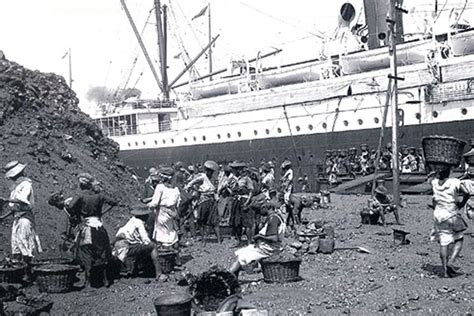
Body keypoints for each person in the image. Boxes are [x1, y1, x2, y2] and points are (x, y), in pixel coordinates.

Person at [68, 173, 118, 288]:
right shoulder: (100, 196)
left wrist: (78, 213)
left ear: (82, 185)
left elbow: (70, 207)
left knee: (85, 252)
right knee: (103, 251)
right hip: (99, 225)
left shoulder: (80, 195)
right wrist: (101, 212)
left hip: (87, 225)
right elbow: (114, 202)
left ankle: (88, 281)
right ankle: (105, 280)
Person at [0, 161, 42, 283]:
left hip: (25, 219)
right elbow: (15, 208)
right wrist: (4, 216)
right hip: (18, 217)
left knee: (25, 245)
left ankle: (28, 273)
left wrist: (6, 200)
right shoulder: (16, 186)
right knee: (16, 245)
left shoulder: (26, 185)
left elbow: (23, 203)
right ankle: (18, 273)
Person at [229, 198, 287, 278]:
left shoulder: (273, 219)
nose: (259, 212)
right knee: (240, 254)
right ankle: (233, 275)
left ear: (266, 208)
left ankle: (230, 276)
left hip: (269, 248)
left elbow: (274, 238)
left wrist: (259, 236)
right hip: (267, 246)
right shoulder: (275, 217)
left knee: (242, 257)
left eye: (260, 210)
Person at [430, 164, 469, 278]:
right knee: (459, 238)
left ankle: (445, 271)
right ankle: (451, 261)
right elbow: (466, 192)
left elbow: (433, 198)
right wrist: (462, 203)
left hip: (438, 215)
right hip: (452, 213)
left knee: (444, 242)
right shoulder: (454, 182)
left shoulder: (434, 183)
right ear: (448, 172)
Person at [112, 206, 162, 280]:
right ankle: (159, 274)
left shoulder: (131, 221)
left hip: (119, 246)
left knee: (139, 247)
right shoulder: (139, 223)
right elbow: (146, 240)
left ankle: (133, 270)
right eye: (146, 215)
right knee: (153, 246)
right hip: (125, 247)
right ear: (143, 216)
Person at [184, 160, 221, 243]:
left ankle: (219, 240)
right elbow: (191, 183)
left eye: (211, 171)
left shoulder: (215, 179)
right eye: (208, 171)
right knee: (201, 220)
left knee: (215, 221)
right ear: (206, 170)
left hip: (212, 200)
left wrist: (216, 197)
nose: (209, 173)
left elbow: (216, 190)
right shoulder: (202, 177)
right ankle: (204, 239)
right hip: (203, 200)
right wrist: (190, 188)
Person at [148, 167, 181, 248]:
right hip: (172, 212)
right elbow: (178, 202)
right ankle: (175, 252)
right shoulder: (176, 189)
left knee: (162, 234)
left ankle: (165, 253)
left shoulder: (160, 187)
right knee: (171, 231)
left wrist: (148, 205)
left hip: (162, 213)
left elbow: (155, 203)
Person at [228, 161, 254, 246]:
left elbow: (250, 191)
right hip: (236, 201)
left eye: (235, 169)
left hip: (244, 200)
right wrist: (229, 189)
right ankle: (238, 241)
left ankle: (249, 242)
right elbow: (230, 190)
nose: (233, 171)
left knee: (247, 223)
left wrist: (247, 202)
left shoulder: (246, 179)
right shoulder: (232, 179)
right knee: (236, 222)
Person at [280, 159, 295, 228]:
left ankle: (290, 206)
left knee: (286, 197)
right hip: (286, 186)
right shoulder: (287, 172)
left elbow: (289, 179)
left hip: (288, 187)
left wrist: (285, 185)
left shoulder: (290, 171)